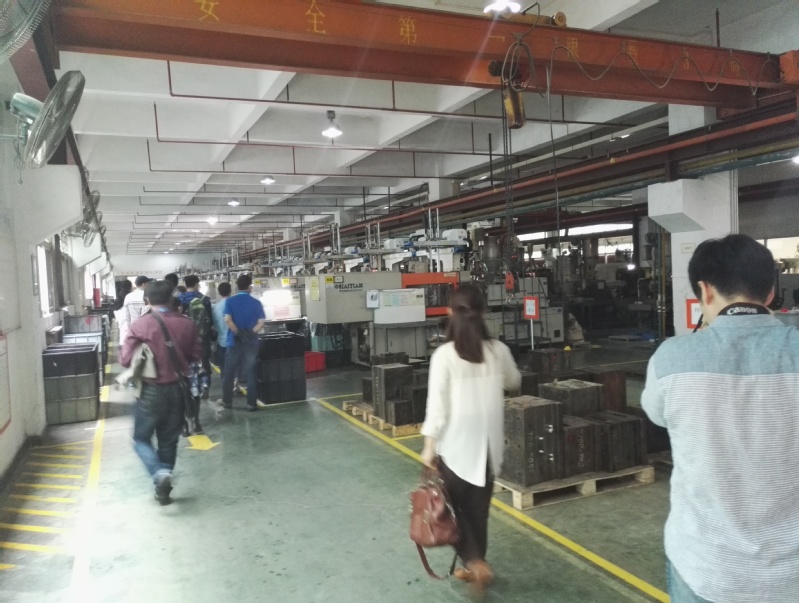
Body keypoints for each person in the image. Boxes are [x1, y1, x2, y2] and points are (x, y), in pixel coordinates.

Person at [642, 234, 799, 603]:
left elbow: (656, 415)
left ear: (705, 291)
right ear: (771, 294)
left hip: (705, 566)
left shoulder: (671, 358)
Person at [420, 283, 521, 597]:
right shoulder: (498, 350)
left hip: (456, 448)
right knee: (478, 513)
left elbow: (437, 407)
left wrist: (429, 447)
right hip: (489, 448)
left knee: (451, 511)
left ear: (450, 313)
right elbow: (514, 381)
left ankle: (476, 562)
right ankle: (475, 564)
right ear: (484, 313)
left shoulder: (444, 356)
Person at [119, 280, 201, 504]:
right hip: (179, 389)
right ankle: (163, 489)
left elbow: (125, 360)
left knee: (141, 438)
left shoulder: (140, 325)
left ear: (147, 300)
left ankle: (158, 473)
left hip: (150, 391)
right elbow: (195, 355)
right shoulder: (187, 323)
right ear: (170, 299)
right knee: (169, 440)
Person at [222, 274, 266, 411]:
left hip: (233, 342)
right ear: (250, 287)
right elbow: (261, 322)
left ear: (237, 286)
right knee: (251, 373)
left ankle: (227, 402)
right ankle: (251, 404)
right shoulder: (256, 303)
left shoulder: (230, 301)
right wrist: (250, 333)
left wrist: (238, 332)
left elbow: (227, 319)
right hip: (251, 343)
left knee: (229, 373)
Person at [120, 276, 151, 346]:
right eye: (148, 284)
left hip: (134, 327)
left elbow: (127, 316)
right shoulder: (148, 296)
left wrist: (130, 328)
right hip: (147, 327)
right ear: (144, 284)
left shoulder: (128, 296)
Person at [212, 282, 232, 378]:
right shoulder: (234, 305)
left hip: (221, 341)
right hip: (234, 340)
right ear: (230, 291)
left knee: (223, 365)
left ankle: (225, 382)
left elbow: (215, 326)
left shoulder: (215, 307)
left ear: (219, 293)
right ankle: (236, 382)